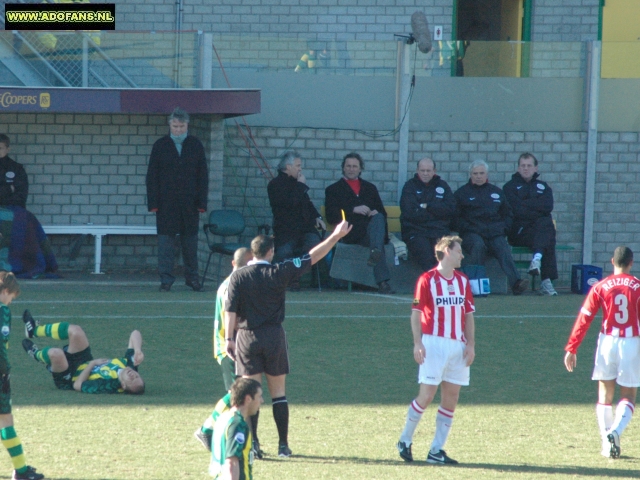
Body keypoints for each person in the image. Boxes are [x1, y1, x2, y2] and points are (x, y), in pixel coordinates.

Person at [225, 220, 352, 458]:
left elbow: (229, 311)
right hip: (273, 336)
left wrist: (229, 340)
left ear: (252, 253)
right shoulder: (279, 271)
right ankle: (283, 445)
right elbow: (312, 256)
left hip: (246, 336)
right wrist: (335, 236)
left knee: (250, 393)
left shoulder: (238, 277)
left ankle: (254, 446)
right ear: (271, 252)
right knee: (278, 394)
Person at [396, 236, 475, 465]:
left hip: (457, 346)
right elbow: (416, 313)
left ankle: (436, 450)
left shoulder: (463, 281)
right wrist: (418, 342)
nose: (462, 255)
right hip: (433, 343)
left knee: (451, 397)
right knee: (427, 395)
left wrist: (470, 344)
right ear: (447, 252)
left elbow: (469, 315)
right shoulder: (427, 280)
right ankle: (405, 440)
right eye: (459, 251)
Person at [564, 246, 640, 459]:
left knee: (605, 395)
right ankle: (615, 432)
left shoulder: (600, 286)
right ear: (631, 263)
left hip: (607, 342)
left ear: (612, 262)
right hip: (631, 343)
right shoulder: (637, 286)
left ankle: (606, 443)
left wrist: (572, 347)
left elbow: (585, 317)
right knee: (628, 395)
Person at [193, 247, 253, 454]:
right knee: (236, 396)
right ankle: (208, 429)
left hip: (231, 345)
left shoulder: (230, 283)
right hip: (229, 346)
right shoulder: (233, 286)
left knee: (237, 394)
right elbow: (232, 318)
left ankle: (211, 430)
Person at [146, 107, 209, 293]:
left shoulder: (196, 145)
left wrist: (202, 204)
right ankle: (166, 279)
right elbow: (152, 177)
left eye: (181, 126)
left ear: (187, 125)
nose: (178, 130)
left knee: (190, 244)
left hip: (190, 204)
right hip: (165, 205)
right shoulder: (160, 145)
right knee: (166, 244)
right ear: (170, 125)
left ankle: (192, 278)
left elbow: (202, 176)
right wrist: (153, 204)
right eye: (175, 126)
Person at [21, 311, 144, 394]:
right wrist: (138, 350)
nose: (133, 375)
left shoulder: (108, 384)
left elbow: (77, 386)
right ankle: (34, 330)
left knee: (56, 353)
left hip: (70, 377)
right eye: (137, 376)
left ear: (122, 385)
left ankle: (36, 354)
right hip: (83, 361)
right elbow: (135, 333)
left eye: (132, 380)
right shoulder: (130, 364)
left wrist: (93, 364)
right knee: (76, 331)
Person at [453, 160, 528, 295]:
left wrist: (503, 229)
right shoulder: (461, 193)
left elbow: (508, 214)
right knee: (478, 245)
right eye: (475, 173)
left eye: (481, 173)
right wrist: (467, 228)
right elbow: (455, 218)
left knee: (502, 246)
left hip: (494, 233)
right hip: (472, 233)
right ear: (470, 174)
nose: (478, 176)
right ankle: (477, 285)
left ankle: (516, 283)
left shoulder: (497, 192)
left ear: (487, 174)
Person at [325, 152, 393, 294]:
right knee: (378, 243)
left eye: (354, 166)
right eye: (348, 166)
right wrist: (352, 210)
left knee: (379, 218)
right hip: (350, 232)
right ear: (343, 168)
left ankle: (376, 252)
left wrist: (374, 212)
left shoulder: (370, 188)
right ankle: (383, 282)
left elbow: (383, 213)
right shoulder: (333, 190)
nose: (351, 169)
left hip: (370, 233)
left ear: (360, 169)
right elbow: (331, 216)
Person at [0, 273, 44, 480]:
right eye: (12, 297)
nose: (11, 301)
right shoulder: (3, 311)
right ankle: (21, 470)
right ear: (6, 291)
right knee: (6, 420)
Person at [503, 153, 558, 296]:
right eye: (523, 166)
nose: (526, 169)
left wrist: (526, 205)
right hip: (519, 232)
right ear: (518, 168)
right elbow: (516, 210)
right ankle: (546, 280)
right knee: (547, 230)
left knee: (546, 227)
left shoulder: (543, 186)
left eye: (529, 166)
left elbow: (548, 206)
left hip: (538, 231)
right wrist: (535, 207)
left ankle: (537, 260)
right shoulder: (509, 187)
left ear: (535, 168)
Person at [267, 151, 325, 264]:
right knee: (284, 254)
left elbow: (307, 203)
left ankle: (300, 271)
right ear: (288, 167)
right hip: (286, 231)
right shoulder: (275, 184)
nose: (300, 169)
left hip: (305, 229)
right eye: (298, 166)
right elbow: (289, 203)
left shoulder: (297, 183)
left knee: (315, 246)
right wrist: (300, 186)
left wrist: (317, 217)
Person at [400, 158, 456, 271]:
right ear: (417, 170)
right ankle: (433, 286)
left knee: (446, 257)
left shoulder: (443, 186)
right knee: (427, 258)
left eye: (428, 170)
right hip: (416, 231)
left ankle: (445, 287)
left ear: (434, 171)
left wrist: (427, 206)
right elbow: (409, 212)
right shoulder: (410, 186)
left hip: (439, 231)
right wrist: (436, 213)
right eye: (422, 170)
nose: (425, 173)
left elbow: (451, 210)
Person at [209, 378, 263, 480]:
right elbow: (231, 463)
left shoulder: (223, 417)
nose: (262, 401)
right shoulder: (237, 424)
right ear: (248, 399)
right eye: (259, 396)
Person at [0, 135, 28, 208]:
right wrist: (8, 189)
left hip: (10, 212)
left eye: (0, 148)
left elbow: (21, 195)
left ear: (7, 149)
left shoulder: (16, 168)